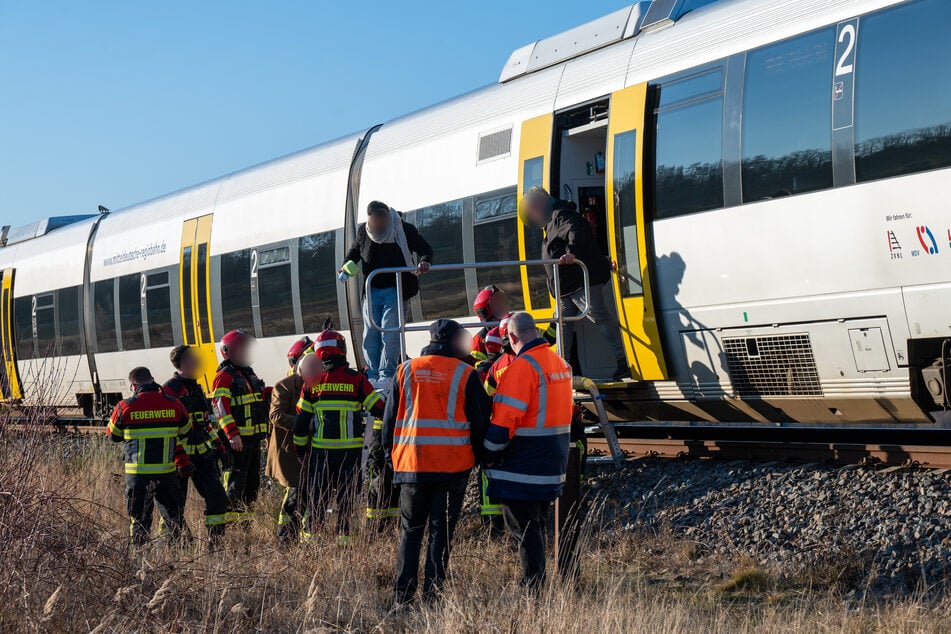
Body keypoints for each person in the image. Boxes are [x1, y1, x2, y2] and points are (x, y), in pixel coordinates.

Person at [382, 319, 491, 607]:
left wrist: (390, 456)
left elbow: (389, 420)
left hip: (411, 466)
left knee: (410, 533)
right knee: (440, 535)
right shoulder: (466, 374)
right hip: (451, 468)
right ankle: (432, 599)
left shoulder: (405, 370)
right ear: (454, 341)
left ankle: (402, 600)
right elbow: (480, 422)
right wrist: (480, 459)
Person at [483, 312, 574, 589]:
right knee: (534, 527)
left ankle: (533, 590)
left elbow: (504, 422)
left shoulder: (522, 367)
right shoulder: (559, 362)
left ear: (511, 337)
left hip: (523, 467)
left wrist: (487, 454)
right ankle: (537, 585)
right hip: (551, 462)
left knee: (524, 531)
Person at [519, 187, 630, 380]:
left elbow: (577, 231)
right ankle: (561, 370)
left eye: (533, 211)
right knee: (562, 326)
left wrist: (572, 253)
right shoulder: (552, 220)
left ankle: (624, 360)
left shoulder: (560, 215)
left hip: (579, 283)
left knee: (598, 316)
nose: (533, 217)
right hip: (565, 288)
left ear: (540, 204)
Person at [294, 328, 384, 545]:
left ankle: (311, 543)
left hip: (321, 453)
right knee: (347, 499)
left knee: (318, 498)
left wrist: (300, 450)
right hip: (349, 454)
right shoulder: (356, 380)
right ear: (342, 349)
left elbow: (301, 423)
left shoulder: (312, 382)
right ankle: (346, 542)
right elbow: (378, 409)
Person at [339, 201, 434, 388]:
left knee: (390, 333)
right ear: (369, 220)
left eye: (383, 218)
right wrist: (345, 267)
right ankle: (373, 374)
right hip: (372, 291)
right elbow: (354, 253)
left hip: (396, 289)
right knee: (370, 334)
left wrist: (425, 262)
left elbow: (426, 249)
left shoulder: (402, 229)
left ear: (388, 217)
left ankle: (387, 375)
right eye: (375, 220)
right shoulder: (364, 232)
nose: (380, 223)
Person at [107, 366, 193, 546]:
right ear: (153, 380)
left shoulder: (124, 407)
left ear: (133, 386)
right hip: (166, 475)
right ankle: (177, 553)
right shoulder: (175, 404)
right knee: (174, 517)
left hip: (138, 476)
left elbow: (113, 435)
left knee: (139, 520)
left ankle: (140, 554)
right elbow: (186, 430)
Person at [162, 346, 230, 548]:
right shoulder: (169, 391)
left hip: (203, 457)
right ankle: (171, 545)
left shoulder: (196, 388)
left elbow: (205, 423)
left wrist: (219, 446)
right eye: (194, 359)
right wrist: (180, 459)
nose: (199, 362)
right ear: (183, 363)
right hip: (179, 461)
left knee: (218, 498)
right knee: (174, 506)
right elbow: (169, 431)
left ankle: (215, 544)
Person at [213, 329, 270, 520]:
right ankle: (231, 526)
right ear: (228, 352)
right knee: (234, 484)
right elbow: (220, 407)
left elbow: (259, 405)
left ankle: (245, 525)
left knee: (252, 485)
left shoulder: (249, 374)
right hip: (237, 442)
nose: (245, 352)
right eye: (241, 349)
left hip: (253, 440)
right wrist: (232, 434)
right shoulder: (224, 376)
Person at [267, 338, 317, 543]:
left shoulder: (319, 385)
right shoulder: (284, 386)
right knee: (294, 493)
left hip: (309, 449)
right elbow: (275, 415)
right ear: (300, 368)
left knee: (308, 493)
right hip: (289, 450)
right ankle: (285, 536)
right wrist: (302, 423)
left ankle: (302, 535)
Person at [469, 285, 510, 363]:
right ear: (484, 311)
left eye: (503, 302)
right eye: (496, 304)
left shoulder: (515, 328)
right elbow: (475, 366)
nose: (502, 306)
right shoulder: (479, 341)